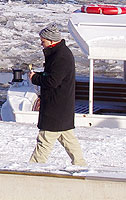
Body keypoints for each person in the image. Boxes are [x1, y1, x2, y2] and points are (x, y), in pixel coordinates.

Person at [28, 25, 87, 166]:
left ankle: (33, 169)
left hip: (56, 108)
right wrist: (39, 74)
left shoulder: (60, 57)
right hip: (62, 107)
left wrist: (35, 78)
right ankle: (80, 165)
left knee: (44, 140)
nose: (41, 43)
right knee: (68, 138)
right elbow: (52, 76)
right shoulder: (58, 53)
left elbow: (52, 81)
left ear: (51, 40)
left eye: (43, 40)